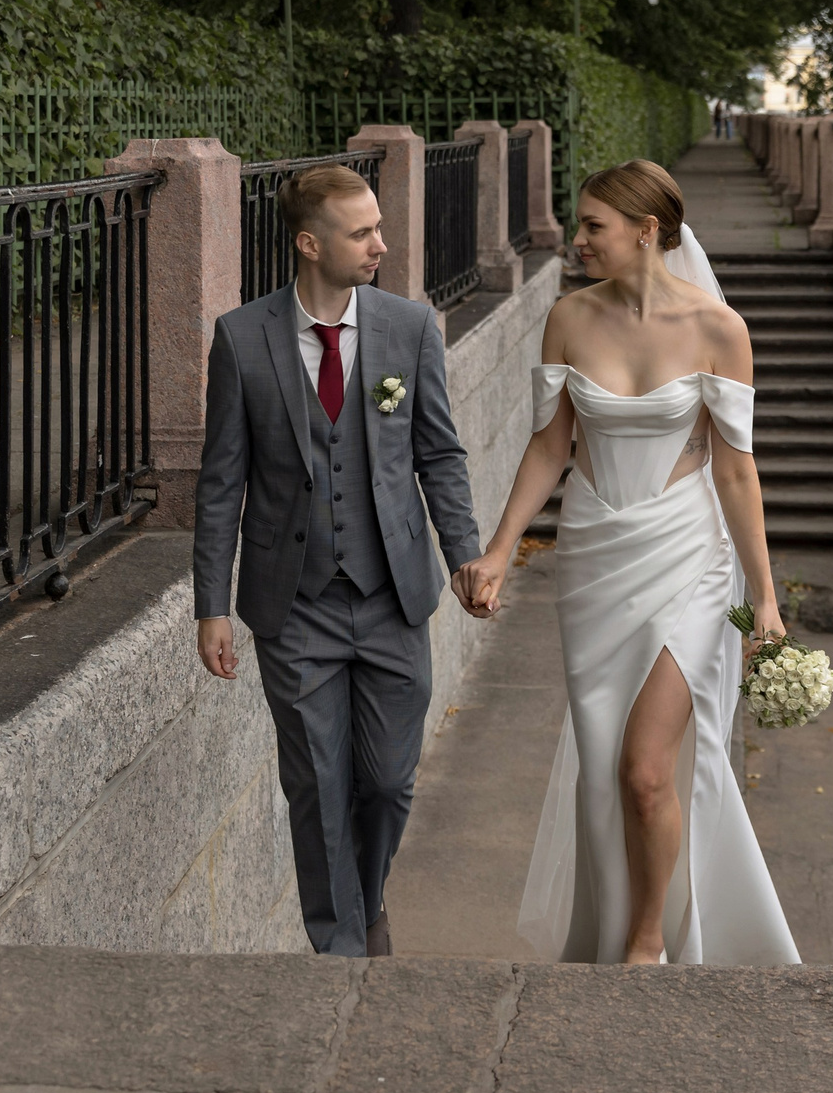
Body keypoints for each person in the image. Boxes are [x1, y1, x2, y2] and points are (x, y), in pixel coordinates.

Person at [451, 160, 800, 967]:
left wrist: (765, 599)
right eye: (579, 225)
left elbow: (737, 469)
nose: (577, 241)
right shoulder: (570, 318)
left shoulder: (720, 329)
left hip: (691, 558)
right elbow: (550, 446)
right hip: (598, 557)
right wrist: (499, 549)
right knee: (607, 767)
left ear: (648, 232)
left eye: (592, 226)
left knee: (647, 769)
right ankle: (612, 926)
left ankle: (649, 940)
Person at [193, 162, 482, 958]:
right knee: (316, 789)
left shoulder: (409, 327)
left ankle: (367, 895)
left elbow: (441, 455)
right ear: (309, 243)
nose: (381, 245)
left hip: (393, 594)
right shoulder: (242, 337)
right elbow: (222, 483)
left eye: (379, 228)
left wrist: (466, 556)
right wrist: (210, 603)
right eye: (362, 233)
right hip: (295, 605)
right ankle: (344, 953)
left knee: (386, 783)